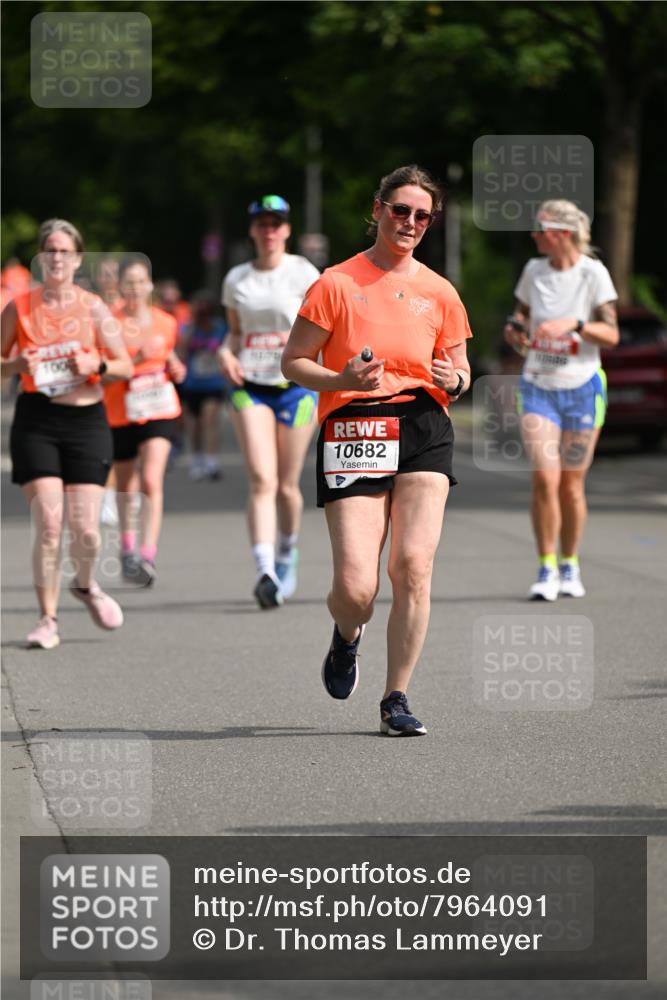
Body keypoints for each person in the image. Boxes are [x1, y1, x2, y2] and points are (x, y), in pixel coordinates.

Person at [282, 165, 472, 736]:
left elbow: (461, 369)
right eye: (400, 210)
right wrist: (341, 378)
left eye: (421, 215)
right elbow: (293, 361)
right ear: (377, 210)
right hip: (355, 427)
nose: (409, 222)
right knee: (357, 587)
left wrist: (456, 380)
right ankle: (347, 636)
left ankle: (396, 698)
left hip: (423, 425)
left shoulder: (440, 291)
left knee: (413, 566)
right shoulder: (336, 283)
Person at [0, 219, 132, 649]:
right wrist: (14, 368)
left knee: (88, 531)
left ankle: (86, 584)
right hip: (37, 420)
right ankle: (46, 619)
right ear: (41, 258)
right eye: (49, 251)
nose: (56, 258)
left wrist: (95, 366)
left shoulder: (93, 308)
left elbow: (124, 366)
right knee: (50, 522)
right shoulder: (19, 307)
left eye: (64, 251)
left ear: (77, 259)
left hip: (86, 421)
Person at [504, 199, 619, 601]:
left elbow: (612, 334)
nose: (534, 235)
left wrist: (575, 324)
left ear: (561, 233)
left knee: (571, 485)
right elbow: (519, 315)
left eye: (540, 228)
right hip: (538, 386)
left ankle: (570, 563)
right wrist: (515, 329)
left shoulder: (593, 274)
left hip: (583, 386)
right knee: (544, 478)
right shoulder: (534, 271)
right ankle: (546, 566)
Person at [219, 195, 320, 607]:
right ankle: (263, 569)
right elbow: (234, 334)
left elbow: (321, 328)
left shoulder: (303, 272)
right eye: (262, 223)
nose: (269, 230)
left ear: (287, 229)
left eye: (277, 223)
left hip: (295, 387)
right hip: (250, 386)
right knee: (261, 479)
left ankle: (286, 552)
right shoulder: (237, 279)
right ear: (252, 230)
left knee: (286, 485)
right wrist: (225, 353)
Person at [104, 255, 186, 588]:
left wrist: (176, 368)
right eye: (130, 283)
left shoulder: (165, 321)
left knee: (152, 478)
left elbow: (168, 355)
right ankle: (127, 547)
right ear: (120, 286)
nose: (136, 288)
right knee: (126, 483)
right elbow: (103, 375)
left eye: (141, 281)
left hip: (159, 408)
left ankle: (147, 554)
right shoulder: (109, 322)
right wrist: (136, 358)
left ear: (150, 284)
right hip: (121, 409)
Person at [179, 292, 228, 481]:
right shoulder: (188, 328)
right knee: (195, 426)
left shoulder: (220, 327)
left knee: (210, 421)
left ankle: (212, 461)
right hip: (193, 384)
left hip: (214, 383)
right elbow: (182, 348)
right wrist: (193, 324)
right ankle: (197, 459)